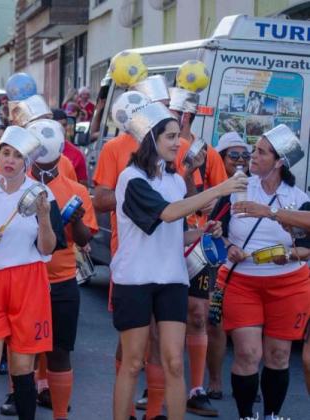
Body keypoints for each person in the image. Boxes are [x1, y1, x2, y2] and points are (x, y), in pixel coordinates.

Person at [110, 103, 246, 420]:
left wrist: (200, 231)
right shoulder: (131, 179)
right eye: (171, 137)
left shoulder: (173, 180)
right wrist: (222, 187)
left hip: (172, 279)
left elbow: (174, 233)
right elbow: (167, 214)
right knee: (132, 363)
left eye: (177, 136)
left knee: (173, 362)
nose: (178, 143)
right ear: (150, 139)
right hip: (135, 281)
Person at [0, 125, 66, 420]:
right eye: (5, 153)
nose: (9, 160)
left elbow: (47, 249)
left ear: (26, 163)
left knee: (22, 369)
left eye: (17, 156)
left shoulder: (42, 194)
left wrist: (44, 218)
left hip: (28, 282)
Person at [212, 124, 310, 420]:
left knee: (278, 356)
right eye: (254, 150)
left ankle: (271, 415)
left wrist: (290, 251)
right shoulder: (237, 187)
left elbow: (307, 247)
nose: (251, 156)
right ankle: (245, 416)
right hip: (242, 281)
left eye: (261, 152)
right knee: (247, 354)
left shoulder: (297, 196)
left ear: (279, 161)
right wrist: (228, 245)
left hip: (289, 283)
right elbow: (216, 231)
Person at [28, 119, 98, 419]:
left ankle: (60, 414)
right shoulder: (17, 185)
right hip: (26, 279)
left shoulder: (75, 189)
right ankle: (22, 401)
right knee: (23, 350)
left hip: (62, 280)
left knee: (59, 351)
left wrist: (77, 220)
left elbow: (83, 239)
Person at [166, 89, 229, 417]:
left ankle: (196, 388)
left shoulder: (209, 153)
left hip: (198, 244)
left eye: (175, 114)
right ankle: (157, 387)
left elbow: (219, 197)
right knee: (160, 319)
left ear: (186, 116)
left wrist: (207, 212)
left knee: (199, 314)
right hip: (165, 242)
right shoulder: (158, 151)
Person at [205, 131, 253, 401]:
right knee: (216, 324)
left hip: (251, 268)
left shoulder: (255, 187)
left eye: (245, 156)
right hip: (220, 265)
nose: (240, 161)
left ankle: (248, 381)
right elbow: (211, 227)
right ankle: (214, 381)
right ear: (220, 158)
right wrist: (227, 244)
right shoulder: (220, 189)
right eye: (233, 155)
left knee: (250, 328)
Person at [52, 109, 87, 184]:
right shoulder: (38, 153)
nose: (61, 129)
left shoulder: (77, 154)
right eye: (57, 125)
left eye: (64, 125)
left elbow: (82, 186)